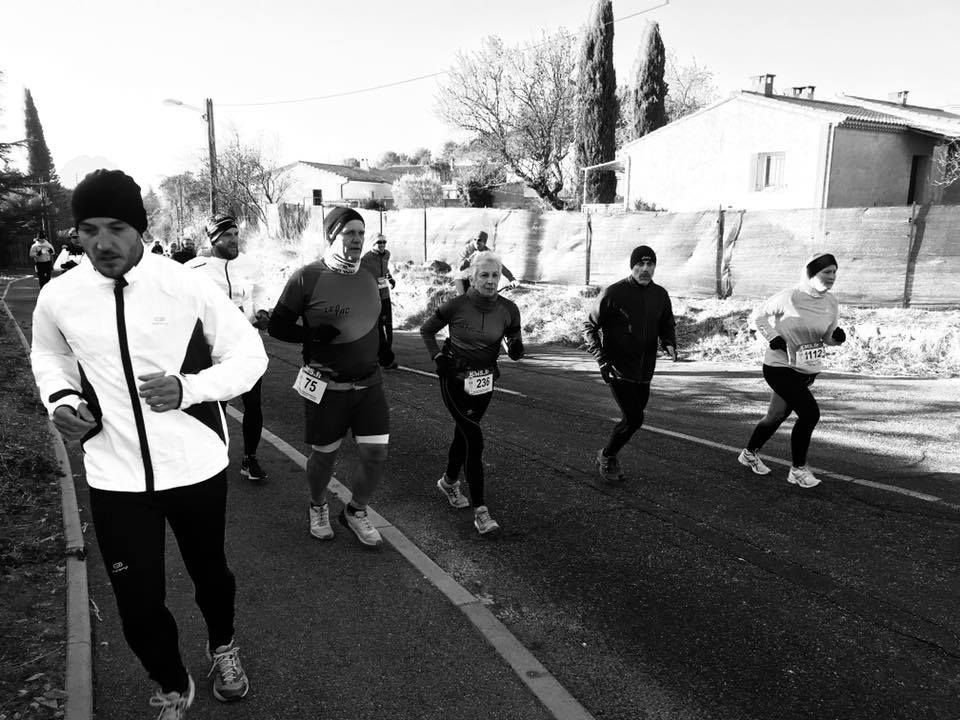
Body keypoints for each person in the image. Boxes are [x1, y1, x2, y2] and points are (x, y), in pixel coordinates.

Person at [30, 170, 268, 719]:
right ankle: (169, 682)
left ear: (139, 227)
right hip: (115, 473)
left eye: (116, 227)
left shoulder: (184, 285)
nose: (102, 243)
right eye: (88, 229)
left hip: (194, 466)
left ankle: (223, 646)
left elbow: (249, 356)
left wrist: (189, 389)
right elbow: (50, 355)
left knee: (211, 574)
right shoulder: (61, 295)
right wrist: (61, 398)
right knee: (136, 604)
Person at [268, 207, 388, 548]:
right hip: (327, 386)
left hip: (369, 383)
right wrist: (311, 335)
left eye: (361, 234)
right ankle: (318, 505)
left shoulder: (368, 274)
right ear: (332, 236)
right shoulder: (307, 276)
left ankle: (355, 511)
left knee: (376, 455)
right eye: (349, 233)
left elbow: (376, 316)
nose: (356, 240)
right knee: (325, 456)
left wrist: (385, 346)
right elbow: (277, 326)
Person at [420, 251, 524, 535]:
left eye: (495, 275)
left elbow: (514, 343)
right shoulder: (456, 306)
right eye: (484, 276)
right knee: (474, 439)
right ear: (473, 277)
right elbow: (427, 331)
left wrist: (516, 349)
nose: (490, 281)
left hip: (484, 381)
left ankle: (449, 481)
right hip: (454, 378)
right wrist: (438, 358)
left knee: (464, 434)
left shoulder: (509, 309)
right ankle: (481, 511)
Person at [738, 253, 846, 488]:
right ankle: (797, 470)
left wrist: (835, 339)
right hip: (779, 366)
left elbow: (826, 336)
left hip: (805, 369)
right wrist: (773, 337)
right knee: (809, 414)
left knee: (776, 416)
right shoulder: (790, 296)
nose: (832, 277)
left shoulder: (831, 303)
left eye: (834, 272)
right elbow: (758, 315)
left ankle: (748, 454)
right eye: (826, 272)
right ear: (810, 274)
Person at [186, 216, 271, 481]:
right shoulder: (194, 269)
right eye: (228, 235)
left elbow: (259, 291)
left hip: (246, 345)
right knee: (217, 404)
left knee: (253, 404)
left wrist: (262, 310)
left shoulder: (250, 264)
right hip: (214, 350)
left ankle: (250, 458)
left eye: (236, 234)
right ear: (213, 239)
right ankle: (214, 456)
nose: (234, 240)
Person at [583, 245, 677, 482]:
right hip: (618, 369)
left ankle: (608, 453)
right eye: (640, 264)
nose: (645, 269)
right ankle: (607, 455)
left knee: (632, 420)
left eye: (650, 264)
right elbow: (589, 328)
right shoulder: (614, 293)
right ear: (632, 266)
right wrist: (602, 360)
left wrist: (669, 342)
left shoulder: (660, 295)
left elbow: (667, 324)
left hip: (645, 371)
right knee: (635, 419)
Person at [359, 233, 398, 369]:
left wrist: (391, 278)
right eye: (379, 242)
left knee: (388, 326)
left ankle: (387, 356)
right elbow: (359, 275)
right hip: (373, 298)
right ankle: (384, 359)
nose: (382, 245)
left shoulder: (386, 254)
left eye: (384, 242)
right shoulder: (366, 258)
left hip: (385, 295)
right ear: (373, 244)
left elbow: (385, 270)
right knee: (378, 328)